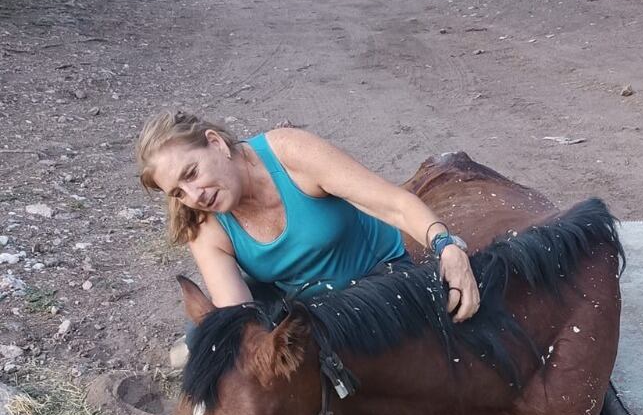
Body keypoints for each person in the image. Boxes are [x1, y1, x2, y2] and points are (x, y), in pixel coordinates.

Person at [136, 111, 480, 322]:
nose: (194, 196)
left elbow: (395, 205)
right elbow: (238, 315)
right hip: (309, 312)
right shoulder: (203, 224)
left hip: (382, 279)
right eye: (178, 192)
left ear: (215, 143)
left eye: (192, 173)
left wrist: (446, 246)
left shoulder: (289, 154)